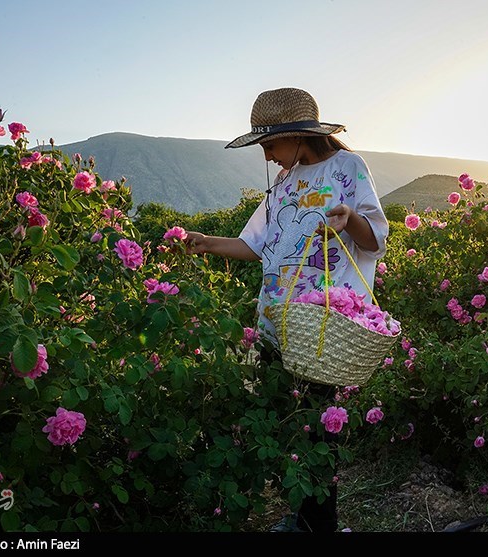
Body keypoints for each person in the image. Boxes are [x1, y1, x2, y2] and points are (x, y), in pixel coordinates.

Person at [183, 87, 389, 532]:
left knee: (317, 425)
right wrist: (207, 243)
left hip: (321, 324)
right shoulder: (283, 184)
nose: (268, 155)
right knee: (289, 421)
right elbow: (254, 244)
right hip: (278, 319)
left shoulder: (346, 168)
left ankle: (322, 525)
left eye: (270, 144)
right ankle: (304, 517)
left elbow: (375, 239)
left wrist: (348, 218)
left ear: (297, 136)